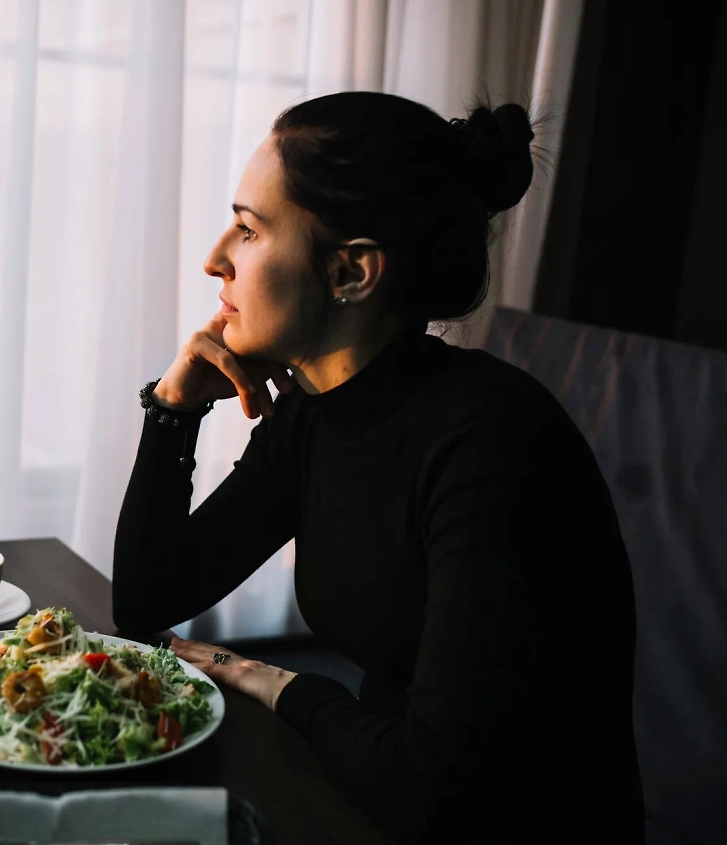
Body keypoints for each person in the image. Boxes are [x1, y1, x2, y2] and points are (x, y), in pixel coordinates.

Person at [112, 92, 644, 844]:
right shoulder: (316, 410)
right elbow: (147, 598)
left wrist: (283, 685)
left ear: (351, 272)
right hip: (377, 798)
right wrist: (173, 407)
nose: (214, 257)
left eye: (250, 228)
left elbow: (434, 787)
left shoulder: (490, 445)